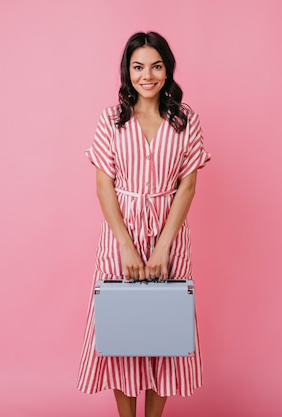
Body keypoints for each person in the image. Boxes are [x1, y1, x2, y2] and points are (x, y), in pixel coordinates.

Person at [78, 31, 211, 417]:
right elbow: (104, 186)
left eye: (155, 66)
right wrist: (125, 244)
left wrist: (164, 245)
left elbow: (187, 187)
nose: (147, 75)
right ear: (128, 72)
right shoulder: (111, 121)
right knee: (122, 331)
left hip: (170, 234)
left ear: (167, 70)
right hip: (122, 235)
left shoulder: (186, 121)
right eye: (138, 67)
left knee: (164, 331)